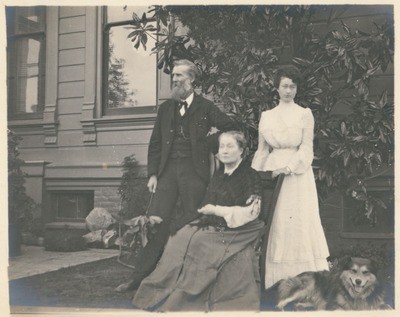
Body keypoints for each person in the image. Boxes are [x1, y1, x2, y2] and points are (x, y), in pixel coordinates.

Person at [115, 59, 237, 292]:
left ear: (191, 80)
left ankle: (195, 279)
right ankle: (138, 277)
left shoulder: (206, 107)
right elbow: (156, 144)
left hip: (194, 172)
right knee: (156, 222)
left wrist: (209, 143)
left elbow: (229, 126)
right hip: (168, 172)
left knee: (195, 223)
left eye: (180, 76)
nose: (175, 79)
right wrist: (152, 174)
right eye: (174, 76)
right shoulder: (165, 108)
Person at [132, 131, 265, 311]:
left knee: (198, 241)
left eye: (230, 146)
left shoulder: (250, 175)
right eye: (221, 146)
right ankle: (162, 290)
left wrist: (216, 210)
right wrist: (203, 213)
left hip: (240, 226)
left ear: (242, 150)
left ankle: (187, 293)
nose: (224, 151)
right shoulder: (220, 173)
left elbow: (253, 211)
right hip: (216, 222)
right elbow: (207, 202)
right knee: (179, 235)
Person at [251, 66, 330, 289]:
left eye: (292, 86)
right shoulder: (266, 116)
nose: (288, 90)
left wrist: (289, 167)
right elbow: (261, 150)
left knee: (298, 222)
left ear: (297, 89)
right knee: (277, 222)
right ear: (277, 88)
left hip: (297, 176)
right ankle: (275, 281)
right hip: (272, 173)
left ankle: (306, 282)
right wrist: (256, 175)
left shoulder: (304, 114)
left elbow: (306, 149)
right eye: (284, 86)